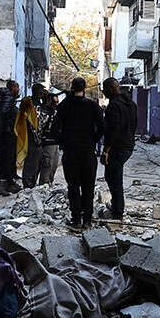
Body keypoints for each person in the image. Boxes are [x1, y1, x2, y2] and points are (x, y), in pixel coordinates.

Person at [52, 77, 105, 229]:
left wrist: (63, 142)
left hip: (71, 151)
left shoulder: (64, 106)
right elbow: (102, 127)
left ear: (72, 87)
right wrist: (93, 140)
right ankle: (87, 219)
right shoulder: (92, 106)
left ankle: (76, 219)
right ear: (84, 88)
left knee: (73, 186)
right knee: (88, 186)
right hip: (87, 150)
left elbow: (55, 129)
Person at [100, 78, 137, 221]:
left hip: (117, 147)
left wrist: (106, 151)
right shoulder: (131, 104)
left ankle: (118, 212)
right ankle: (116, 206)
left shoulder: (114, 106)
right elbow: (135, 124)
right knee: (113, 177)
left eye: (104, 88)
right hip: (128, 146)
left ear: (110, 89)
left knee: (114, 179)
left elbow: (112, 130)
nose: (103, 91)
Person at [0, 80, 20, 196]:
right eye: (17, 87)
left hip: (0, 133)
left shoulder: (0, 98)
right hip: (5, 134)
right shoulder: (8, 98)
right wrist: (7, 127)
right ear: (13, 88)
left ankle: (2, 184)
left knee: (2, 160)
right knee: (6, 160)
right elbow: (4, 112)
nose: (18, 89)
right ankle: (5, 184)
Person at [20, 83, 46, 188]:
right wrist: (37, 141)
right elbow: (33, 125)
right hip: (32, 138)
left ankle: (31, 183)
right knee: (31, 163)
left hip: (33, 138)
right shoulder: (32, 105)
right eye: (42, 91)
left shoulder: (37, 103)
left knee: (36, 163)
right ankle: (28, 184)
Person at [38, 94, 60, 185]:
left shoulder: (54, 112)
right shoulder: (43, 112)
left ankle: (49, 183)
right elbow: (39, 128)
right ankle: (44, 185)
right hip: (47, 143)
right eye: (54, 102)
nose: (56, 104)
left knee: (54, 166)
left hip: (55, 142)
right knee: (48, 165)